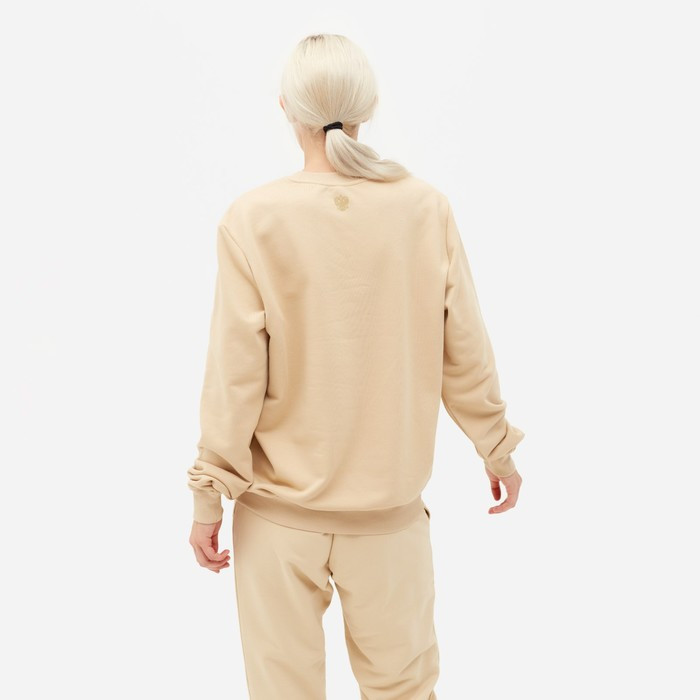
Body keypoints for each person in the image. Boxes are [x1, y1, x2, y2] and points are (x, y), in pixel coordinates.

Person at [187, 33, 525, 700]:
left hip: (276, 520)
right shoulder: (423, 208)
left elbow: (235, 377)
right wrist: (497, 449)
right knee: (404, 691)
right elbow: (465, 351)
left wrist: (208, 495)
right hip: (389, 521)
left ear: (287, 107)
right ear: (367, 106)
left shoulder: (253, 218)